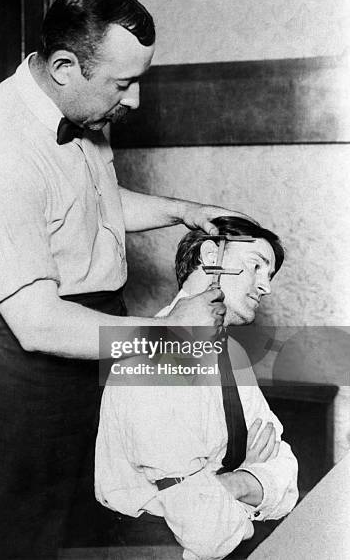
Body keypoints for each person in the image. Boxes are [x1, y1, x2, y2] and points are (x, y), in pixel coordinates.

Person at [0, 0, 245, 559]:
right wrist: (170, 339)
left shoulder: (78, 104)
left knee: (89, 509)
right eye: (123, 84)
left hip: (94, 331)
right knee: (12, 531)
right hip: (14, 352)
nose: (134, 102)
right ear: (63, 66)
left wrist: (185, 212)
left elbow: (92, 203)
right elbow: (39, 324)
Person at [95, 216, 299, 560]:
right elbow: (203, 529)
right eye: (256, 267)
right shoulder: (151, 356)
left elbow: (285, 470)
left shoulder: (231, 355)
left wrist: (229, 484)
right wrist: (248, 482)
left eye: (270, 274)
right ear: (210, 256)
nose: (266, 286)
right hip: (149, 548)